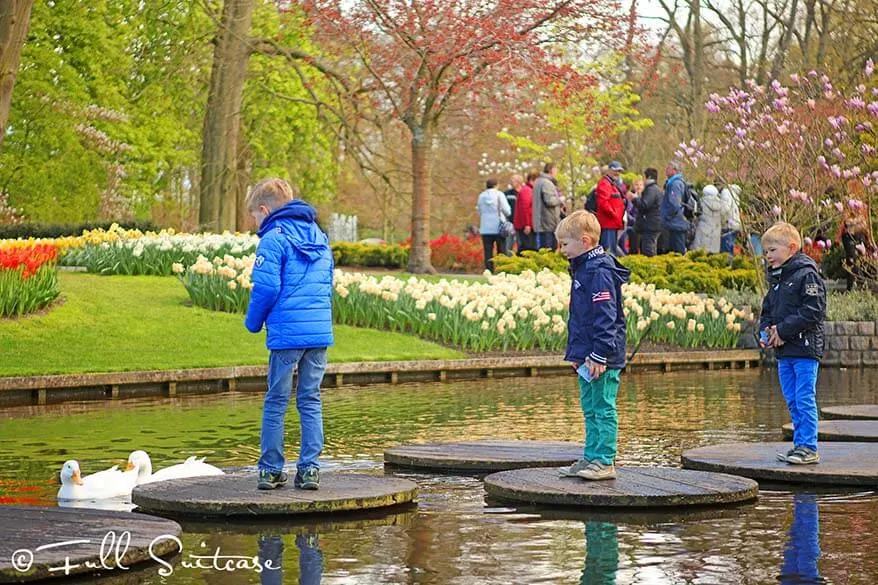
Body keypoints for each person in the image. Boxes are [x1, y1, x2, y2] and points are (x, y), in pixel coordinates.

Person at [244, 178, 334, 491]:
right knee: (310, 399)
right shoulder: (319, 235)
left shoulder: (273, 238)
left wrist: (253, 323)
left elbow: (267, 287)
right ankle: (309, 470)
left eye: (255, 216)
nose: (255, 222)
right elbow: (326, 284)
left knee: (276, 401)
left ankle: (270, 470)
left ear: (265, 209)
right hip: (318, 333)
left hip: (287, 335)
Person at [555, 210, 630, 481]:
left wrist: (599, 355)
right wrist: (577, 354)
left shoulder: (599, 272)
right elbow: (580, 318)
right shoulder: (583, 269)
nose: (560, 250)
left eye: (565, 244)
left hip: (603, 357)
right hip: (586, 356)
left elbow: (606, 316)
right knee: (589, 408)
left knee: (603, 406)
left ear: (585, 242)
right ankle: (591, 455)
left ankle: (605, 460)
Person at [758, 222, 826, 465]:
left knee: (804, 396)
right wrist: (766, 332)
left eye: (772, 251)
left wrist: (783, 330)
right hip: (784, 352)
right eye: (766, 252)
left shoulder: (806, 274)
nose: (768, 256)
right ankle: (799, 444)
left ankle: (809, 446)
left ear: (792, 248)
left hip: (805, 349)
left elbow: (813, 310)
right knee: (792, 399)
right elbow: (767, 311)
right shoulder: (776, 280)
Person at [476, 178, 511, 272]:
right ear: (496, 185)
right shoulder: (499, 195)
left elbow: (479, 210)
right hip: (499, 228)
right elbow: (507, 211)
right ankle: (502, 270)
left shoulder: (481, 196)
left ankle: (489, 270)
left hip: (485, 228)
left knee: (488, 251)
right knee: (501, 250)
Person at [837, 205, 875, 291]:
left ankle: (857, 286)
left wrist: (869, 246)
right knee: (853, 265)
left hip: (859, 249)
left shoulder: (860, 223)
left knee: (856, 265)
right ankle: (853, 287)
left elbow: (866, 236)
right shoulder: (847, 224)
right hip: (853, 249)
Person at [595, 161, 626, 256]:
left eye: (619, 171)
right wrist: (615, 214)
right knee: (608, 252)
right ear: (609, 170)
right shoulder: (605, 183)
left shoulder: (612, 184)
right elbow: (603, 203)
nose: (617, 173)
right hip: (608, 223)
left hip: (613, 223)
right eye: (615, 170)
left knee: (611, 251)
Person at [630, 168, 662, 257]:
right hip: (650, 223)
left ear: (648, 177)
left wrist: (634, 199)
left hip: (651, 224)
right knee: (647, 246)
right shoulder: (653, 189)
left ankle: (651, 267)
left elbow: (645, 204)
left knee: (648, 249)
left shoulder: (651, 189)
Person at [660, 160, 690, 254]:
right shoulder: (673, 183)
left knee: (677, 252)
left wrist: (666, 217)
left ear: (674, 170)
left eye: (668, 168)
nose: (665, 170)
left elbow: (674, 204)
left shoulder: (675, 184)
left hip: (676, 224)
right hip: (675, 223)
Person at [532, 162, 564, 250]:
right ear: (551, 170)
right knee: (549, 251)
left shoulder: (538, 181)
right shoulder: (547, 183)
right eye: (556, 169)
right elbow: (549, 201)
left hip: (541, 222)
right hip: (547, 223)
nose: (556, 172)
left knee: (542, 251)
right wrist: (560, 199)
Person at [691, 184, 725, 253]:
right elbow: (723, 217)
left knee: (700, 252)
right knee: (713, 255)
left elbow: (696, 216)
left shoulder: (701, 202)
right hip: (716, 231)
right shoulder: (720, 204)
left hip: (703, 230)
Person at [514, 172, 537, 253]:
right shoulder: (527, 191)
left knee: (528, 248)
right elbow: (525, 208)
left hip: (527, 225)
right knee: (527, 248)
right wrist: (527, 224)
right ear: (532, 180)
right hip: (526, 226)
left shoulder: (529, 190)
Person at [718, 181, 742, 255]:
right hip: (735, 224)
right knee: (730, 246)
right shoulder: (733, 194)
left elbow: (724, 209)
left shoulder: (725, 193)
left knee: (726, 248)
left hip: (728, 224)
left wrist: (721, 222)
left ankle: (728, 264)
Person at [503, 175, 521, 255]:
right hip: (509, 223)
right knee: (508, 246)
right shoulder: (507, 194)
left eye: (513, 181)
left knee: (521, 245)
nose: (511, 182)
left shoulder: (524, 192)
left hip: (520, 224)